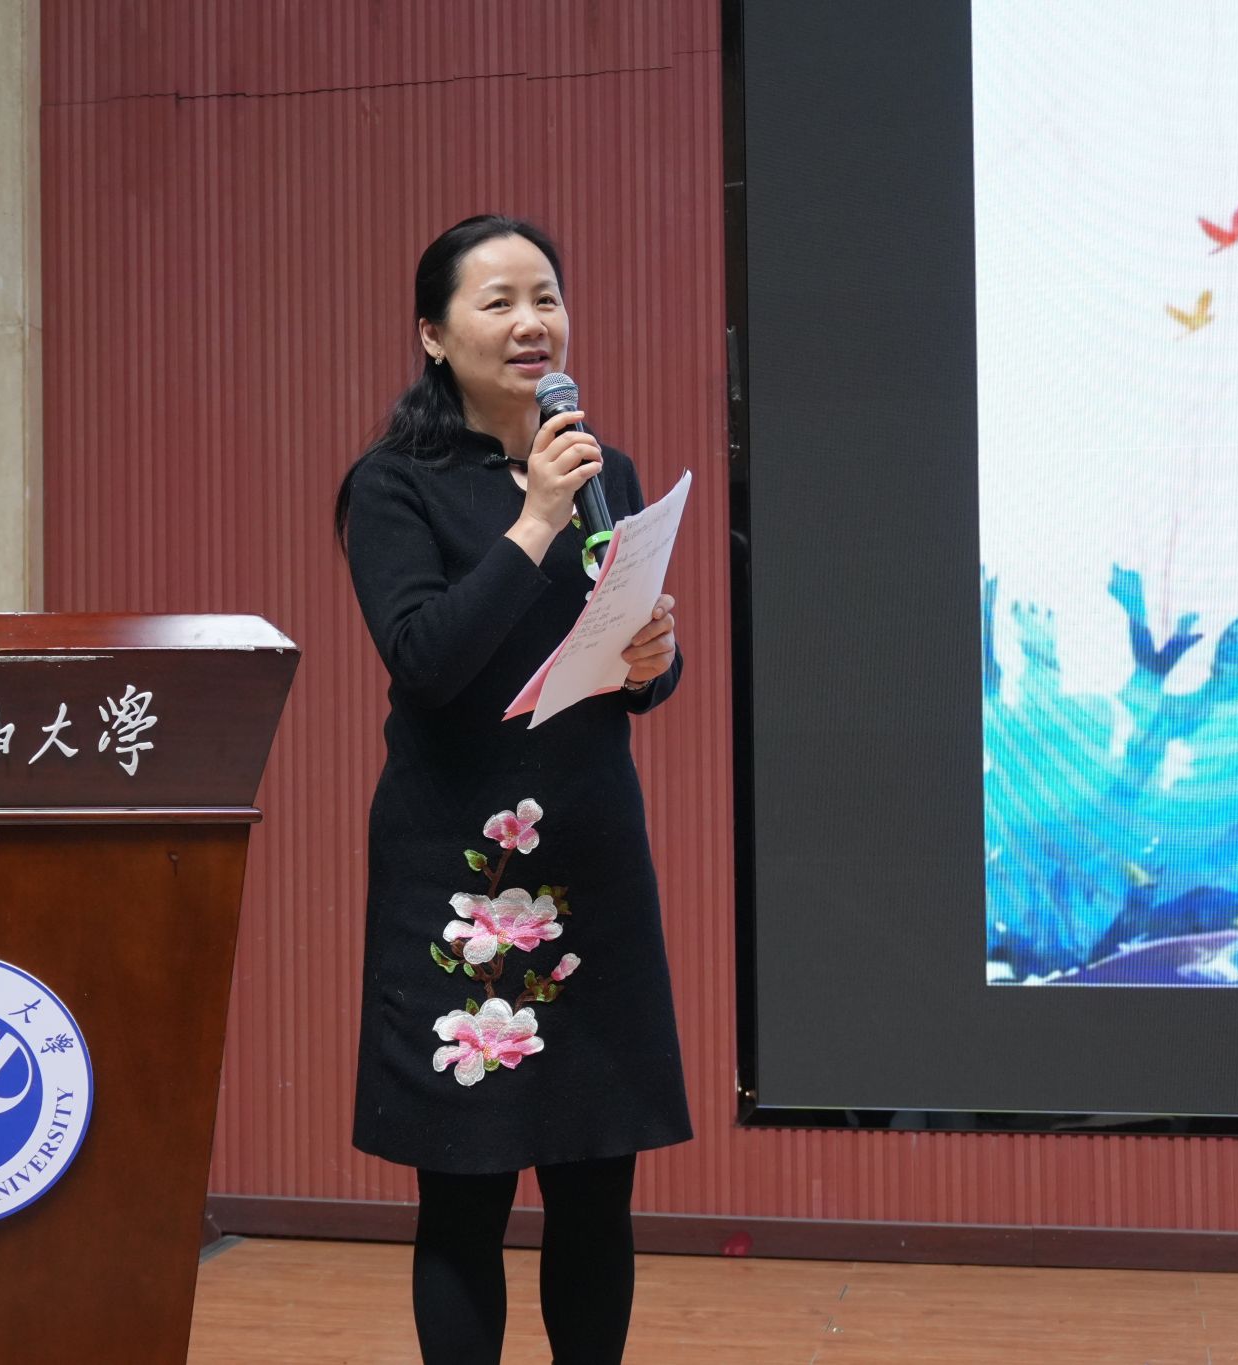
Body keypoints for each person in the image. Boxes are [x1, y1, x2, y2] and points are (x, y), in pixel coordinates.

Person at [333, 214, 692, 1364]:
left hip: (588, 853)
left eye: (545, 297)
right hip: (459, 865)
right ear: (433, 336)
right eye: (498, 302)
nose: (532, 322)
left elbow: (622, 662)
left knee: (594, 1183)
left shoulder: (601, 470)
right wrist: (533, 521)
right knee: (465, 1192)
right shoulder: (391, 486)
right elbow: (426, 662)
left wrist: (651, 661)